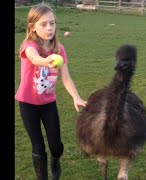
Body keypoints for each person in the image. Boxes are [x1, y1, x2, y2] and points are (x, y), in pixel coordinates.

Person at [15, 3, 87, 180]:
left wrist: (76, 97)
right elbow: (34, 57)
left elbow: (66, 78)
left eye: (52, 23)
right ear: (32, 27)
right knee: (38, 147)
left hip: (48, 105)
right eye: (44, 24)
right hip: (27, 104)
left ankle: (56, 160)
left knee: (56, 147)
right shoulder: (28, 45)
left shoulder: (59, 50)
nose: (49, 28)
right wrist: (46, 61)